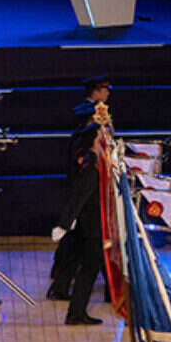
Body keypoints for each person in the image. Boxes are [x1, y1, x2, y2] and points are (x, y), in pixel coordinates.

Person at [52, 122, 104, 325]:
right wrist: (64, 224)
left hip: (91, 224)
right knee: (89, 269)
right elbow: (79, 196)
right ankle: (76, 312)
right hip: (93, 227)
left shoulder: (95, 161)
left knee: (84, 266)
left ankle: (76, 310)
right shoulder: (90, 167)